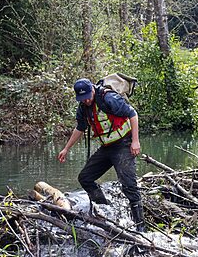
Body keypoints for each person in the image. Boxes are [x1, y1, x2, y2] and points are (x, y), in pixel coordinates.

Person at [58, 78, 145, 231]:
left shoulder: (108, 98)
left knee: (129, 186)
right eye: (81, 98)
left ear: (92, 89)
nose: (85, 100)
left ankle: (140, 229)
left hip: (123, 144)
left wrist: (135, 141)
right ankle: (106, 211)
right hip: (107, 148)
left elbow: (133, 114)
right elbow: (80, 127)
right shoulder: (83, 107)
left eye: (87, 96)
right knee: (85, 178)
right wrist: (66, 149)